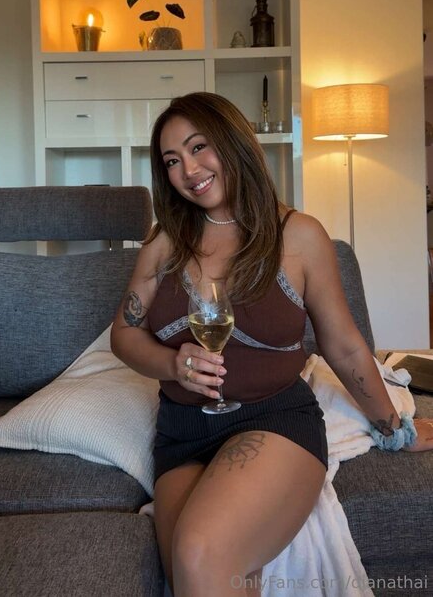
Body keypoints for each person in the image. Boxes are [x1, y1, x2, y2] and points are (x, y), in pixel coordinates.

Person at [111, 91, 433, 597]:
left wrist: (395, 429)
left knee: (199, 551)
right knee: (191, 572)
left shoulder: (298, 236)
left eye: (198, 147)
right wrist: (173, 365)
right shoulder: (164, 240)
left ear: (232, 141)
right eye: (171, 160)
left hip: (273, 422)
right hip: (183, 434)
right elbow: (124, 334)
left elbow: (345, 347)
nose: (187, 170)